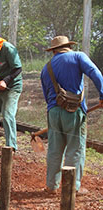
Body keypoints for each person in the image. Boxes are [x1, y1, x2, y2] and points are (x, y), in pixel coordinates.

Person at [40, 35, 103, 194]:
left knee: (54, 149)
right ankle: (72, 187)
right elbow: (95, 73)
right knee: (75, 149)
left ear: (54, 50)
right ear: (68, 46)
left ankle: (51, 186)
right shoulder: (78, 56)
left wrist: (55, 108)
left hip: (53, 112)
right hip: (74, 111)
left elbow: (47, 95)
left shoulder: (46, 67)